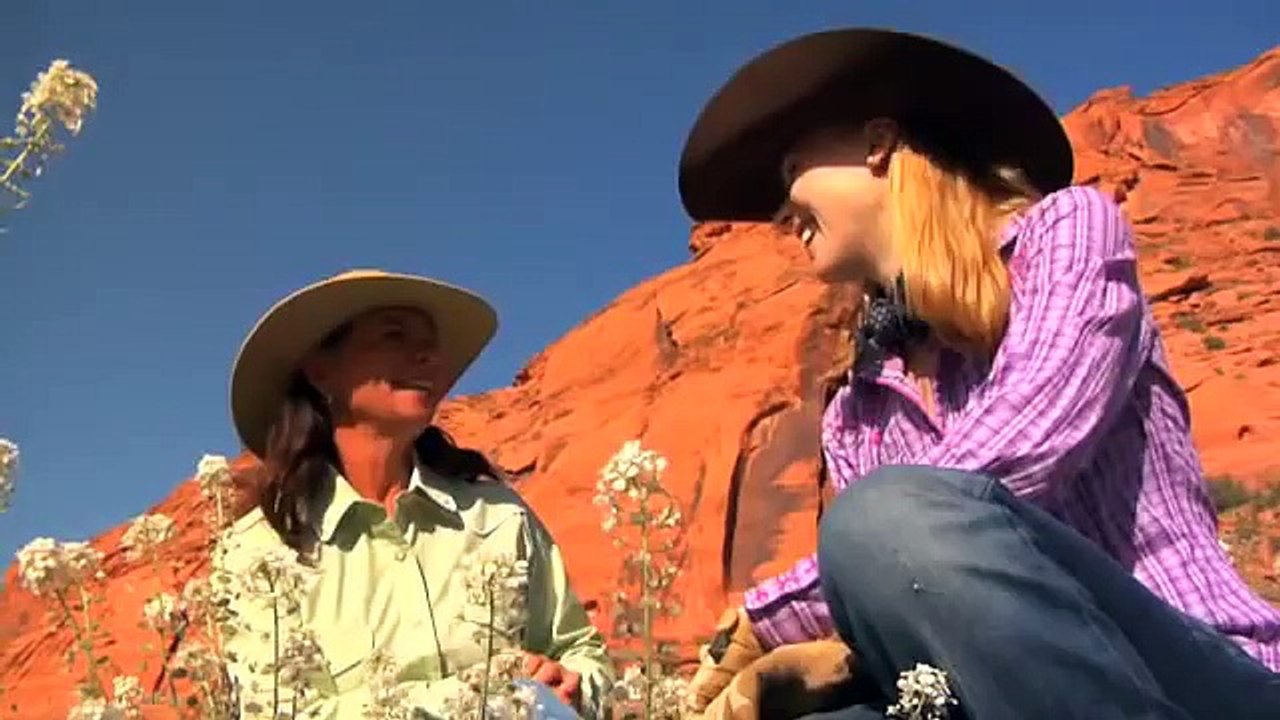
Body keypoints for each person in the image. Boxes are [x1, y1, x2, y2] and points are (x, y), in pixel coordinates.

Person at [675, 28, 1280, 720]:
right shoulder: (856, 411)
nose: (782, 213)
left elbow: (1022, 449)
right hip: (1007, 694)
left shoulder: (1065, 232)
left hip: (1200, 673)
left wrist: (773, 616)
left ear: (878, 144)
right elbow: (930, 602)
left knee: (884, 516)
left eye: (790, 173)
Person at [214, 269, 612, 719]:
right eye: (393, 335)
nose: (426, 355)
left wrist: (574, 688)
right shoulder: (259, 550)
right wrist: (471, 697)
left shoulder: (497, 516)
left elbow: (580, 650)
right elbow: (275, 711)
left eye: (430, 343)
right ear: (321, 369)